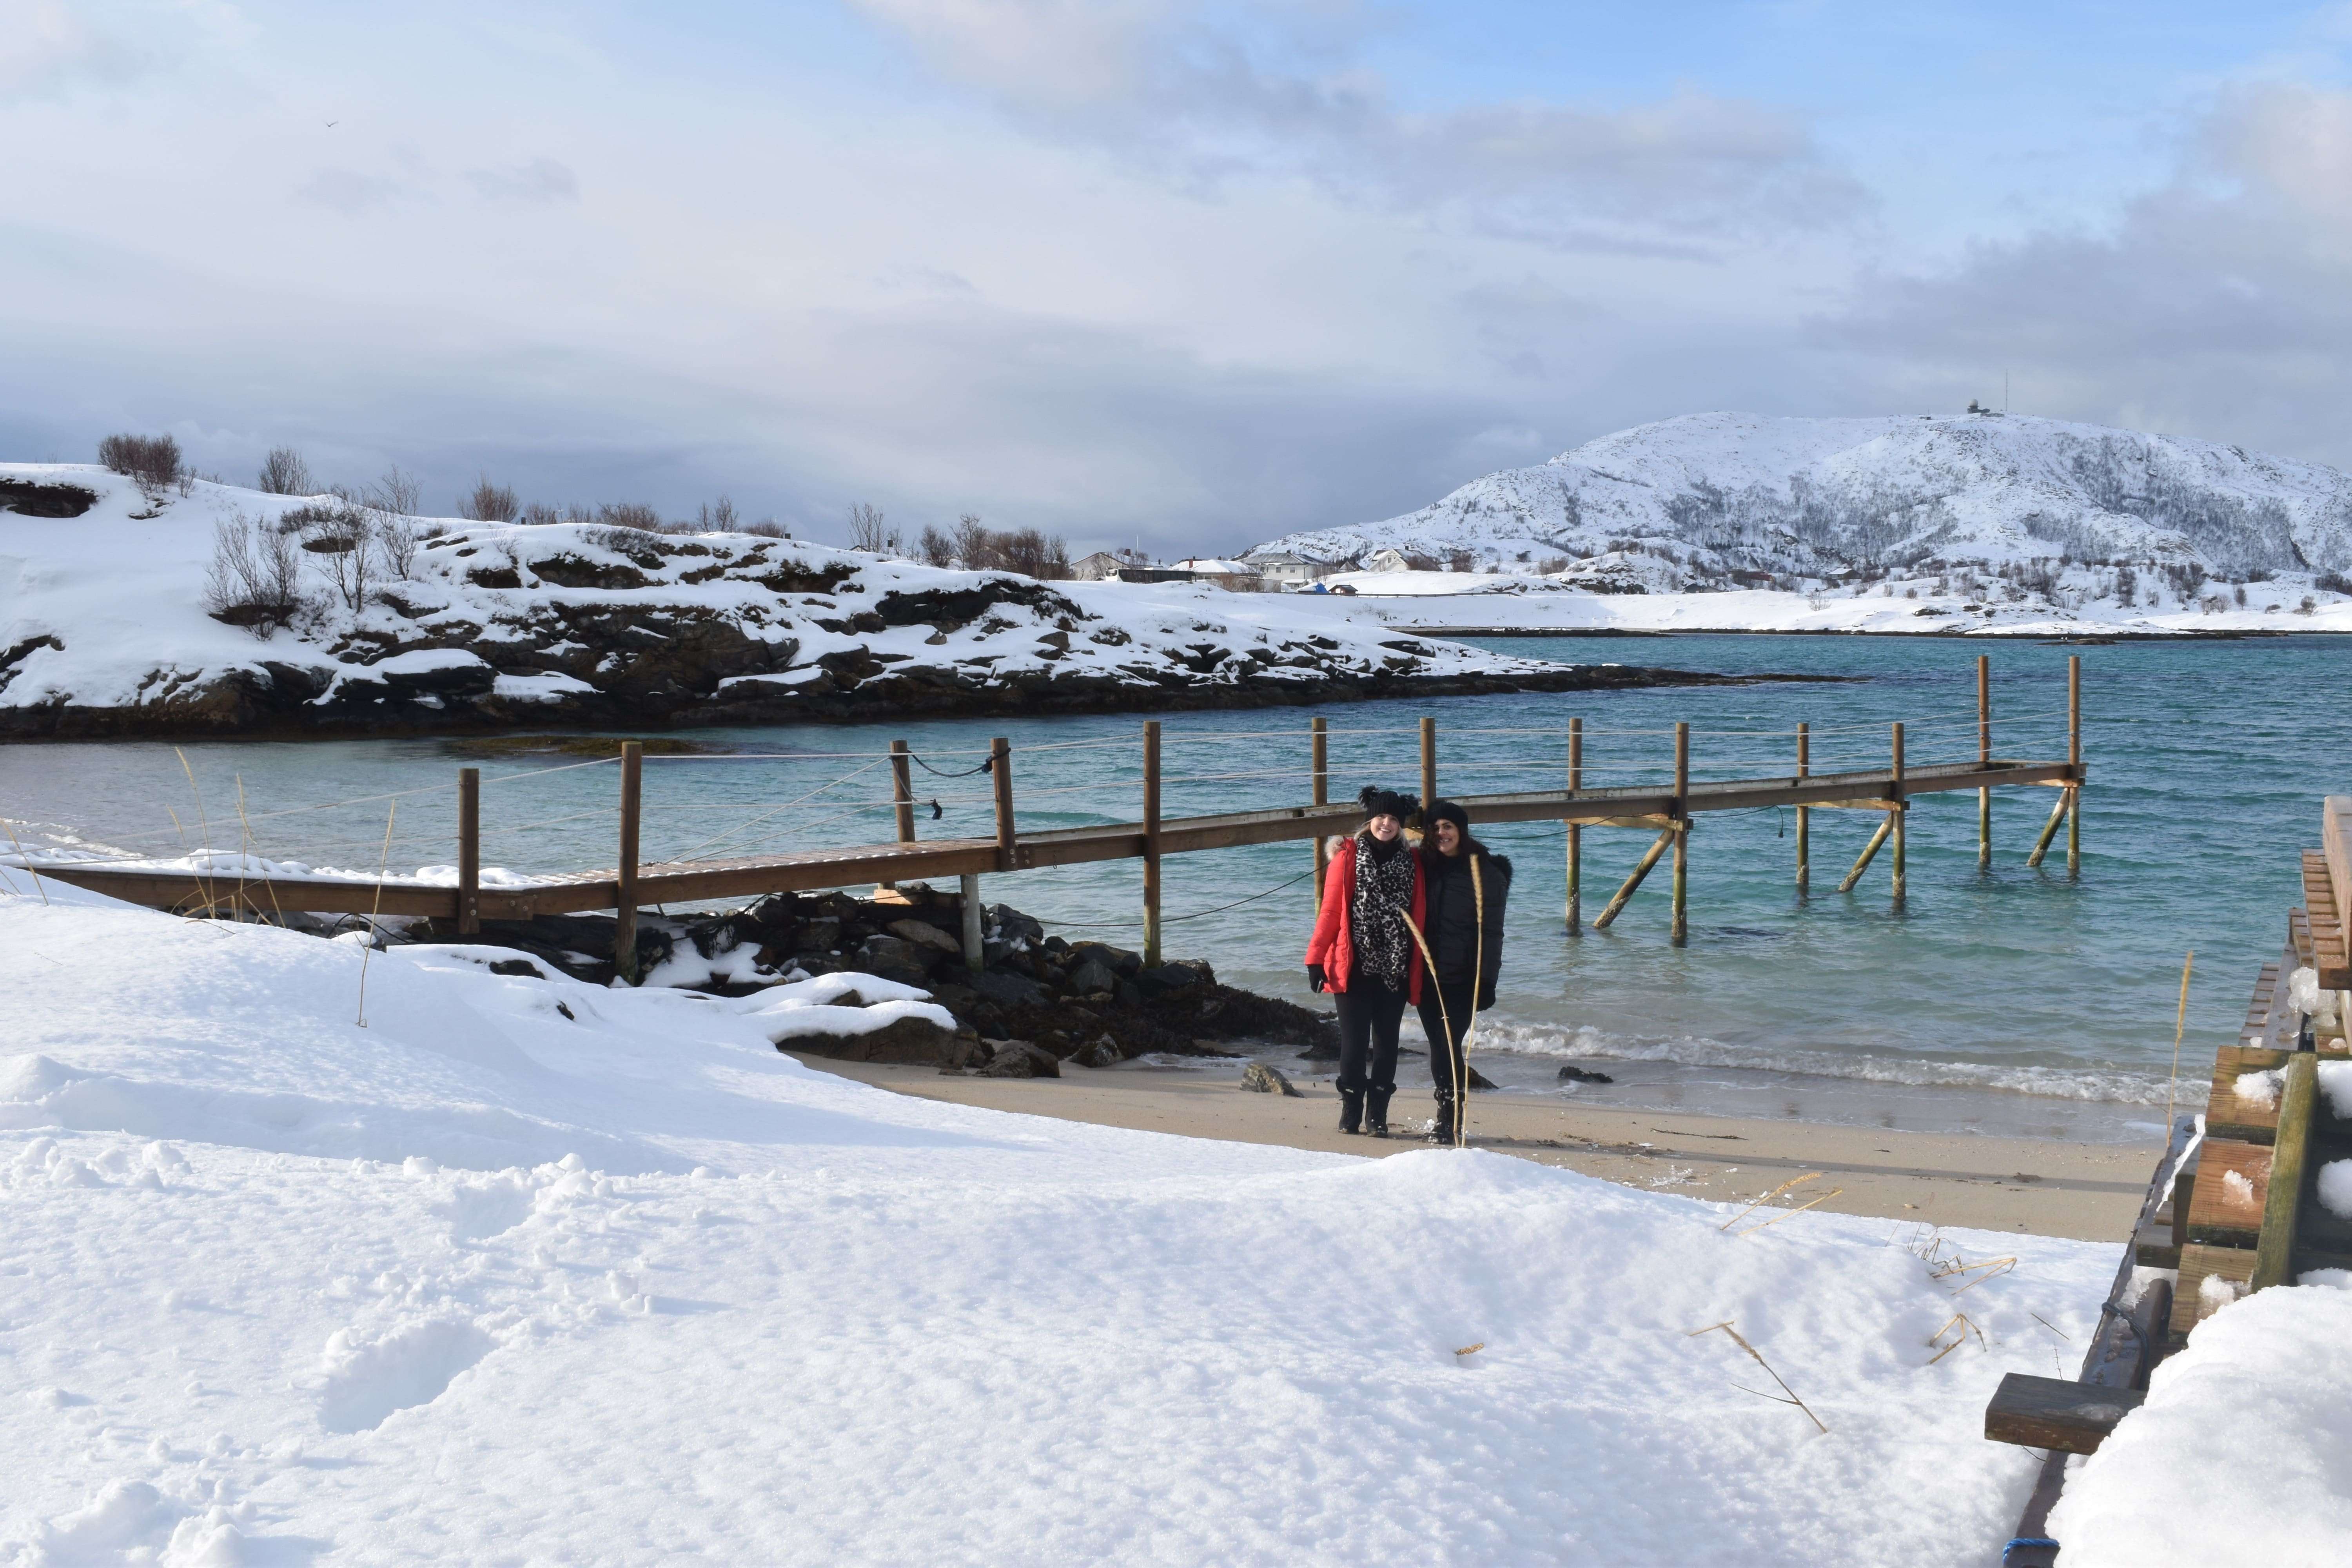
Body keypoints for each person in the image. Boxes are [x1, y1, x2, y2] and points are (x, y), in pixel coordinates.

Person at [1304, 786, 1426, 1136]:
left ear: (1402, 825)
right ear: (1369, 819)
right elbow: (1330, 912)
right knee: (1354, 1044)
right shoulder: (1347, 856)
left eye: (1393, 819)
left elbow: (1421, 914)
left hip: (1395, 968)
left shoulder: (1413, 862)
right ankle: (1351, 1109)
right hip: (1353, 966)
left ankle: (1378, 1115)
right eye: (1380, 817)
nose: (1386, 824)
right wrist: (1315, 960)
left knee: (1387, 1044)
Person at [1414, 799, 1511, 1146]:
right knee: (1439, 1045)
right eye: (1435, 827)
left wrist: (1487, 981)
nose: (1442, 834)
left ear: (1461, 830)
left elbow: (1493, 933)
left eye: (1448, 827)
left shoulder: (1486, 873)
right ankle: (1449, 1117)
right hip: (1427, 976)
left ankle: (1449, 1118)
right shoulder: (1423, 865)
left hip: (1464, 979)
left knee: (1447, 1044)